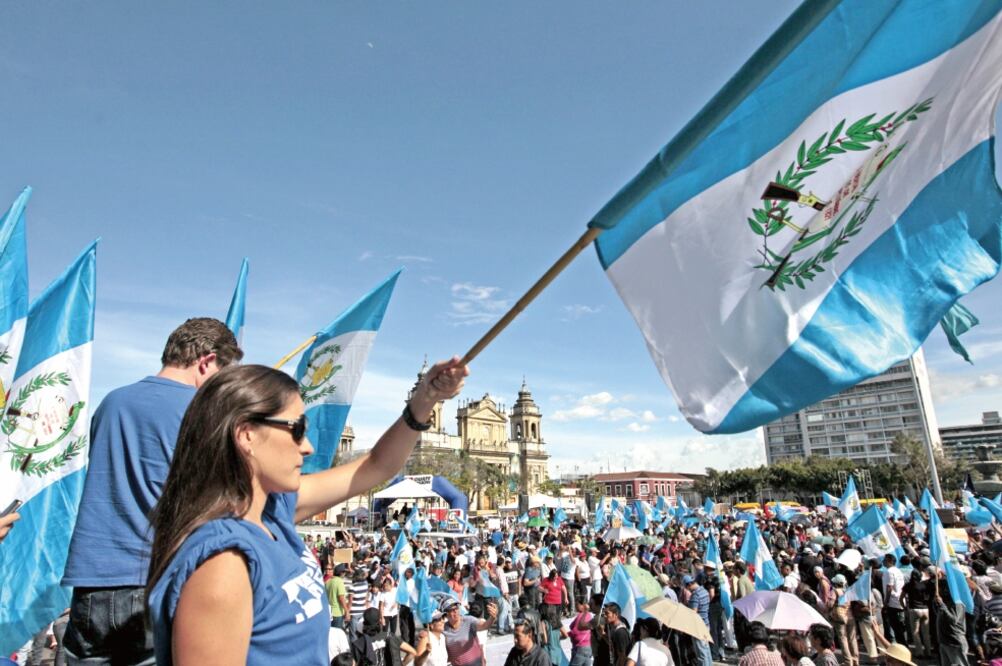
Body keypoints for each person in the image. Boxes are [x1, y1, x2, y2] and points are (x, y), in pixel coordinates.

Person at [146, 358, 467, 664]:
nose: (308, 446)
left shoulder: (275, 510)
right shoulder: (222, 565)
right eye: (296, 428)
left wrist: (426, 398)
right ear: (246, 435)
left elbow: (376, 465)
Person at [62, 317, 243, 664]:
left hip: (91, 583)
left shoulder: (112, 402)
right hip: (153, 578)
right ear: (206, 362)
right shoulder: (200, 413)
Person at [441, 596, 497, 666]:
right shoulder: (443, 629)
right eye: (452, 610)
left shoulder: (468, 621)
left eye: (456, 608)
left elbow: (484, 626)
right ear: (446, 615)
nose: (455, 611)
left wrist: (492, 617)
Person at [683, 575, 713, 666]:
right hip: (706, 624)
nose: (687, 590)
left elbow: (693, 613)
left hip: (698, 627)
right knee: (706, 651)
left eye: (686, 587)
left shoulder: (695, 595)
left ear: (689, 585)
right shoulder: (704, 591)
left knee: (701, 654)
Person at [567, 599, 594, 666]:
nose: (576, 607)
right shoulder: (589, 615)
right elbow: (571, 626)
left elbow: (575, 630)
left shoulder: (582, 615)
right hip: (588, 647)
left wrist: (568, 634)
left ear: (583, 606)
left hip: (580, 648)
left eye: (577, 605)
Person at [327, 564, 351, 630]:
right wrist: (347, 611)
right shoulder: (339, 582)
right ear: (341, 573)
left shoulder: (328, 581)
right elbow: (341, 598)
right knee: (336, 634)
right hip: (337, 613)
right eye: (344, 572)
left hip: (329, 612)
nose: (345, 574)